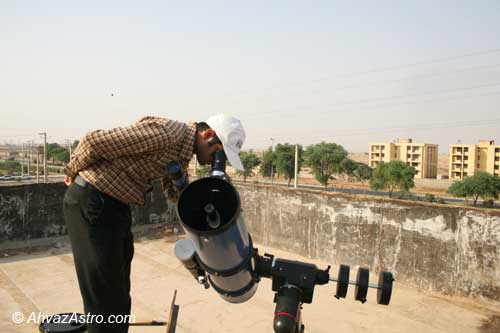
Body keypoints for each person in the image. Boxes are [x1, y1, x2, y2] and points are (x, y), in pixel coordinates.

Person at [63, 114, 245, 333]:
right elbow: (94, 142)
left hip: (114, 207)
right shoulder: (168, 134)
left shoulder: (180, 151)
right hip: (92, 201)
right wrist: (71, 170)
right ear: (207, 134)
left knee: (119, 293)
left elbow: (172, 189)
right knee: (104, 299)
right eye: (217, 152)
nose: (215, 160)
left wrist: (199, 201)